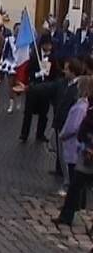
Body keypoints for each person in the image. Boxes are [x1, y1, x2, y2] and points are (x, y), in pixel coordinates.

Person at [52, 75, 93, 227]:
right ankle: (67, 214)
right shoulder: (88, 106)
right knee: (76, 184)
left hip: (88, 150)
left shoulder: (87, 107)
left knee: (77, 184)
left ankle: (68, 214)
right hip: (85, 149)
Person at [19, 33, 59, 143]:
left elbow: (55, 74)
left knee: (44, 113)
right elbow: (28, 72)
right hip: (34, 87)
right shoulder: (34, 55)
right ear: (42, 44)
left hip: (45, 88)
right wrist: (38, 74)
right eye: (47, 44)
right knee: (28, 112)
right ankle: (24, 134)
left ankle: (40, 134)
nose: (49, 47)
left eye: (50, 45)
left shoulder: (52, 57)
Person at [52, 58, 84, 191]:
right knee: (61, 155)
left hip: (67, 128)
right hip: (61, 124)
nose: (64, 71)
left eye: (66, 69)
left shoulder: (77, 88)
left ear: (73, 71)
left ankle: (68, 185)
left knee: (67, 158)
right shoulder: (66, 84)